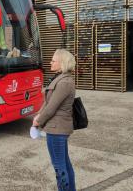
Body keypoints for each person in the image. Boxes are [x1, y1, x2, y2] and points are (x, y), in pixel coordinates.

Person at [32, 49, 76, 191]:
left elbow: (52, 107)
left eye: (53, 60)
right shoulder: (60, 78)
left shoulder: (64, 82)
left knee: (60, 166)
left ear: (62, 63)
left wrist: (38, 121)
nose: (50, 62)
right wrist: (38, 115)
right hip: (57, 128)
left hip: (57, 129)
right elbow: (47, 103)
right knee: (64, 164)